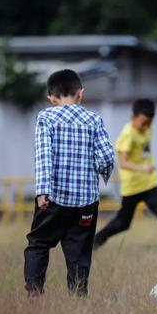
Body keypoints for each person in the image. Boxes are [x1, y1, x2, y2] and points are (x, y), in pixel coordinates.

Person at [23, 69, 114, 297]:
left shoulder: (46, 118)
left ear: (51, 98)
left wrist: (42, 190)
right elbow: (106, 158)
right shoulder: (94, 120)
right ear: (80, 93)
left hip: (53, 198)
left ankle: (34, 293)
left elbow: (44, 155)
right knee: (80, 251)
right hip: (86, 202)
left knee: (39, 244)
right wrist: (101, 174)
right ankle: (78, 297)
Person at [93, 98, 157, 256]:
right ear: (133, 118)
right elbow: (123, 163)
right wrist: (143, 168)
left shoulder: (148, 129)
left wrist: (147, 169)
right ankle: (94, 242)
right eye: (143, 123)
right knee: (122, 223)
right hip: (132, 187)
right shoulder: (128, 134)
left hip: (151, 183)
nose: (146, 127)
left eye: (149, 123)